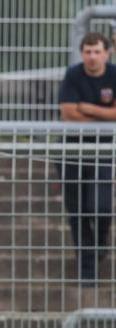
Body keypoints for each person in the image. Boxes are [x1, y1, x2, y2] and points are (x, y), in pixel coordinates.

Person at [58, 31, 116, 284]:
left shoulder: (113, 75)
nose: (92, 57)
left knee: (101, 207)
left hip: (103, 151)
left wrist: (88, 108)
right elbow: (69, 113)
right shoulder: (73, 74)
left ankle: (101, 243)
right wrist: (105, 115)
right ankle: (87, 269)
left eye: (97, 51)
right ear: (82, 53)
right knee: (77, 210)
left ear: (107, 52)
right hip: (72, 150)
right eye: (88, 51)